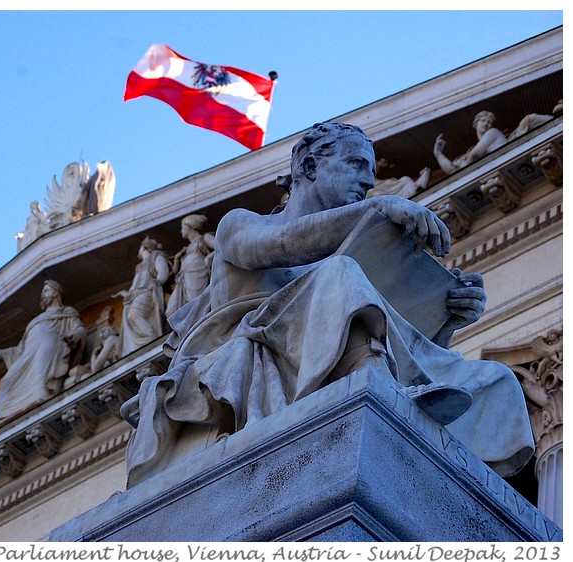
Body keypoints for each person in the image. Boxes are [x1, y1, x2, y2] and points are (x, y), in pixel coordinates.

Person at [124, 122, 534, 487]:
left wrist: (446, 317)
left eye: (372, 176)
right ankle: (381, 391)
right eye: (356, 164)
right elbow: (279, 247)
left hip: (330, 354)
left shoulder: (347, 261)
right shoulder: (244, 223)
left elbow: (392, 332)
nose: (368, 183)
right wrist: (374, 211)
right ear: (308, 167)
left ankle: (461, 490)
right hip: (244, 358)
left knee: (496, 380)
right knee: (340, 272)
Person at [0, 279, 86, 421]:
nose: (42, 294)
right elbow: (20, 350)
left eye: (46, 290)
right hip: (29, 352)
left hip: (51, 342)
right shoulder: (36, 320)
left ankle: (42, 394)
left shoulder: (67, 312)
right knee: (6, 382)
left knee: (41, 374)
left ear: (56, 292)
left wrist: (73, 336)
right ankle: (1, 416)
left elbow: (80, 328)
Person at [116, 237, 170, 356]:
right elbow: (135, 285)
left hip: (147, 292)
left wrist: (159, 281)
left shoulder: (156, 257)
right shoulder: (140, 266)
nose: (139, 250)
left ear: (145, 247)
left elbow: (163, 270)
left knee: (134, 315)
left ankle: (151, 338)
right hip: (136, 294)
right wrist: (127, 294)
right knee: (131, 316)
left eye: (140, 247)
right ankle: (146, 342)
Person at [166, 215, 215, 317]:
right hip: (184, 280)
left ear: (189, 227)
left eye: (182, 227)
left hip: (198, 275)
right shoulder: (187, 249)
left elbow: (220, 246)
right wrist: (176, 259)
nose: (181, 231)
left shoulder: (204, 238)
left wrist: (209, 257)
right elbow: (173, 274)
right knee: (171, 311)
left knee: (196, 306)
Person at [433, 110, 507, 174]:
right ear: (476, 123)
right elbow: (452, 170)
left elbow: (473, 155)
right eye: (483, 120)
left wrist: (464, 172)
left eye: (489, 122)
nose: (485, 124)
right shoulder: (476, 150)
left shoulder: (493, 132)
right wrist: (438, 154)